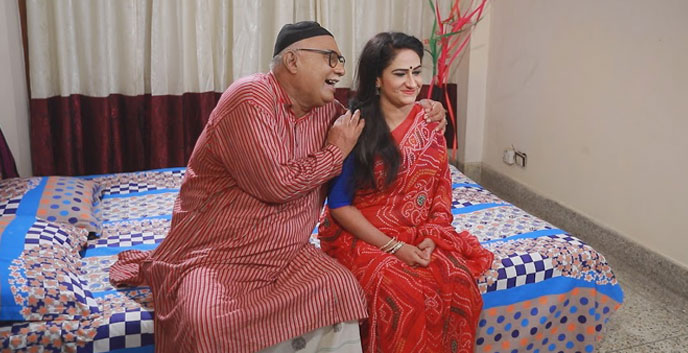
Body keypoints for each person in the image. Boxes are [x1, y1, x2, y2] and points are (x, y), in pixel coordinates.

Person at [109, 22, 446, 353]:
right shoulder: (250, 96)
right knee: (206, 321)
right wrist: (334, 151)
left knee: (340, 289)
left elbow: (373, 125)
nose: (340, 70)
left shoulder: (329, 112)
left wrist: (427, 109)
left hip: (286, 253)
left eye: (341, 61)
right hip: (214, 255)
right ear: (293, 60)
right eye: (331, 58)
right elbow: (276, 184)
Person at [318, 32, 493, 353]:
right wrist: (395, 247)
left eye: (416, 71)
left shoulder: (430, 122)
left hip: (419, 230)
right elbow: (339, 205)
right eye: (400, 73)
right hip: (362, 234)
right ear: (377, 79)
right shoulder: (354, 126)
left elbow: (440, 189)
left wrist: (433, 235)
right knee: (402, 293)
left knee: (457, 280)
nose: (412, 83)